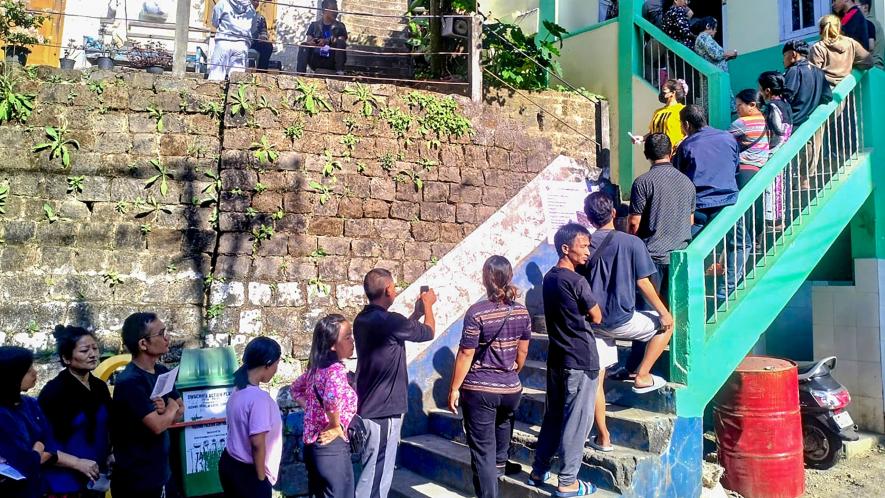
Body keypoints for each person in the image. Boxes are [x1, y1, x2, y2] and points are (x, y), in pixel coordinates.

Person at [447, 256, 532, 498]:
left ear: (486, 278)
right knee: (497, 452)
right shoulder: (521, 312)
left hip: (481, 391)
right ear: (509, 277)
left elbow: (465, 353)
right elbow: (522, 351)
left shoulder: (477, 313)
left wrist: (454, 388)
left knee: (483, 453)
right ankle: (495, 480)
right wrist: (513, 370)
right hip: (510, 391)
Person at [528, 223, 602, 497]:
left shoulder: (550, 278)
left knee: (554, 416)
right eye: (583, 246)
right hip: (580, 357)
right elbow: (597, 316)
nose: (587, 251)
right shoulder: (577, 281)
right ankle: (568, 481)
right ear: (566, 248)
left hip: (558, 357)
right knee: (577, 421)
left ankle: (539, 469)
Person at [581, 192, 674, 395]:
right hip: (621, 321)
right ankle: (642, 375)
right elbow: (643, 283)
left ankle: (598, 424)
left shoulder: (583, 245)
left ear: (588, 217)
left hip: (592, 323)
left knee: (597, 379)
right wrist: (664, 313)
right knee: (667, 326)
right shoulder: (633, 243)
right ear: (614, 213)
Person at [354, 269, 436, 498]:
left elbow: (397, 333)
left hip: (369, 406)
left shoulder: (363, 319)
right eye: (394, 287)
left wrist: (415, 314)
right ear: (388, 290)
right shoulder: (391, 321)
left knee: (372, 470)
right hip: (384, 410)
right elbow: (428, 333)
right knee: (377, 476)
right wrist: (428, 305)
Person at [0, 346, 99, 498]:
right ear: (11, 377)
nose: (35, 372)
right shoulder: (3, 415)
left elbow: (48, 440)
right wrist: (38, 449)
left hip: (36, 488)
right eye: (27, 371)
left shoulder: (30, 404)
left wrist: (37, 450)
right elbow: (27, 462)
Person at [672, 104, 743, 299]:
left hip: (700, 205)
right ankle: (727, 289)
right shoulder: (728, 137)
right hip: (728, 202)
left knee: (691, 247)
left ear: (686, 124)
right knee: (738, 244)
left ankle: (690, 291)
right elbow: (735, 167)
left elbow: (679, 178)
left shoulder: (687, 145)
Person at [111, 312, 184, 498]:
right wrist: (170, 408)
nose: (167, 338)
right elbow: (158, 426)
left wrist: (166, 411)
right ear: (143, 344)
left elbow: (181, 411)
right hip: (136, 480)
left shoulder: (161, 371)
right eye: (160, 334)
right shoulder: (130, 382)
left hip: (161, 472)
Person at [38, 326, 112, 497]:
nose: (93, 354)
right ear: (66, 358)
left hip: (96, 476)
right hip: (65, 481)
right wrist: (77, 463)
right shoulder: (53, 392)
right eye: (85, 350)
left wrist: (111, 453)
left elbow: (110, 424)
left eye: (95, 348)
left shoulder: (99, 387)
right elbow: (45, 442)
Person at [291, 315, 358, 498]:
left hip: (313, 447)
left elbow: (295, 389)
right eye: (347, 337)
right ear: (332, 345)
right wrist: (335, 425)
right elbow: (330, 400)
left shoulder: (316, 369)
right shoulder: (335, 371)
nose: (352, 340)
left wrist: (311, 409)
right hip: (331, 448)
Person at [220, 336, 283, 498]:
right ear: (268, 364)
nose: (276, 369)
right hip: (250, 473)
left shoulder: (237, 389)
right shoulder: (259, 399)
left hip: (230, 463)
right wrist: (261, 478)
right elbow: (257, 443)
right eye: (277, 364)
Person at [759, 71, 794, 228]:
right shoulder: (786, 104)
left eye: (760, 89)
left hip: (774, 150)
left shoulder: (772, 106)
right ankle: (781, 218)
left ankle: (772, 220)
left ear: (767, 90)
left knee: (772, 186)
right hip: (786, 149)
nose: (759, 92)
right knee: (782, 185)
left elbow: (777, 130)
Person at [809, 14, 872, 87]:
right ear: (838, 28)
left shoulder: (818, 47)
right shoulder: (851, 43)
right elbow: (868, 62)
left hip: (826, 92)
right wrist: (852, 70)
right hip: (847, 90)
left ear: (820, 29)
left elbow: (812, 75)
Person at [783, 40, 833, 128]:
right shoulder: (819, 72)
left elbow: (786, 97)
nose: (783, 60)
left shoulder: (794, 70)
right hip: (811, 124)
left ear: (793, 54)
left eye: (784, 55)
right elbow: (827, 97)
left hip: (793, 124)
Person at [692, 16, 737, 112]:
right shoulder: (704, 36)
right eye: (715, 28)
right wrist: (730, 53)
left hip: (713, 74)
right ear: (708, 26)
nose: (716, 31)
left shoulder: (702, 38)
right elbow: (716, 54)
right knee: (717, 100)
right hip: (713, 75)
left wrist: (726, 57)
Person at [632, 79, 687, 150]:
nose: (662, 92)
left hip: (674, 155)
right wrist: (642, 138)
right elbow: (653, 132)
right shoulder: (658, 112)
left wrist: (681, 143)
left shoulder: (682, 110)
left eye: (664, 90)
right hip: (657, 154)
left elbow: (691, 132)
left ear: (672, 93)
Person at [296, 0, 348, 76]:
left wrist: (326, 41)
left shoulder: (340, 26)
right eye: (333, 9)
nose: (336, 12)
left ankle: (339, 71)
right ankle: (300, 74)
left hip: (332, 60)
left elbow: (342, 40)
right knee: (304, 45)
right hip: (316, 58)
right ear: (325, 10)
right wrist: (313, 43)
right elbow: (308, 41)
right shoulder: (314, 25)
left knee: (340, 42)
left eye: (336, 9)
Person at [208, 0, 257, 81]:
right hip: (242, 44)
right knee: (237, 79)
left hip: (224, 41)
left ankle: (212, 93)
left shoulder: (222, 3)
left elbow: (215, 22)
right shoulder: (251, 9)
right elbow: (253, 28)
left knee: (216, 74)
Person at [859, 0, 884, 68]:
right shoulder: (876, 22)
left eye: (855, 7)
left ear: (865, 7)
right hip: (879, 67)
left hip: (872, 68)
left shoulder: (866, 23)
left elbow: (870, 47)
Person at [250, 0, 273, 70]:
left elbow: (264, 33)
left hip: (254, 42)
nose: (257, 3)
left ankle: (261, 73)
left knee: (267, 46)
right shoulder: (239, 15)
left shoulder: (260, 17)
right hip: (240, 40)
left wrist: (262, 37)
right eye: (254, 0)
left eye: (258, 1)